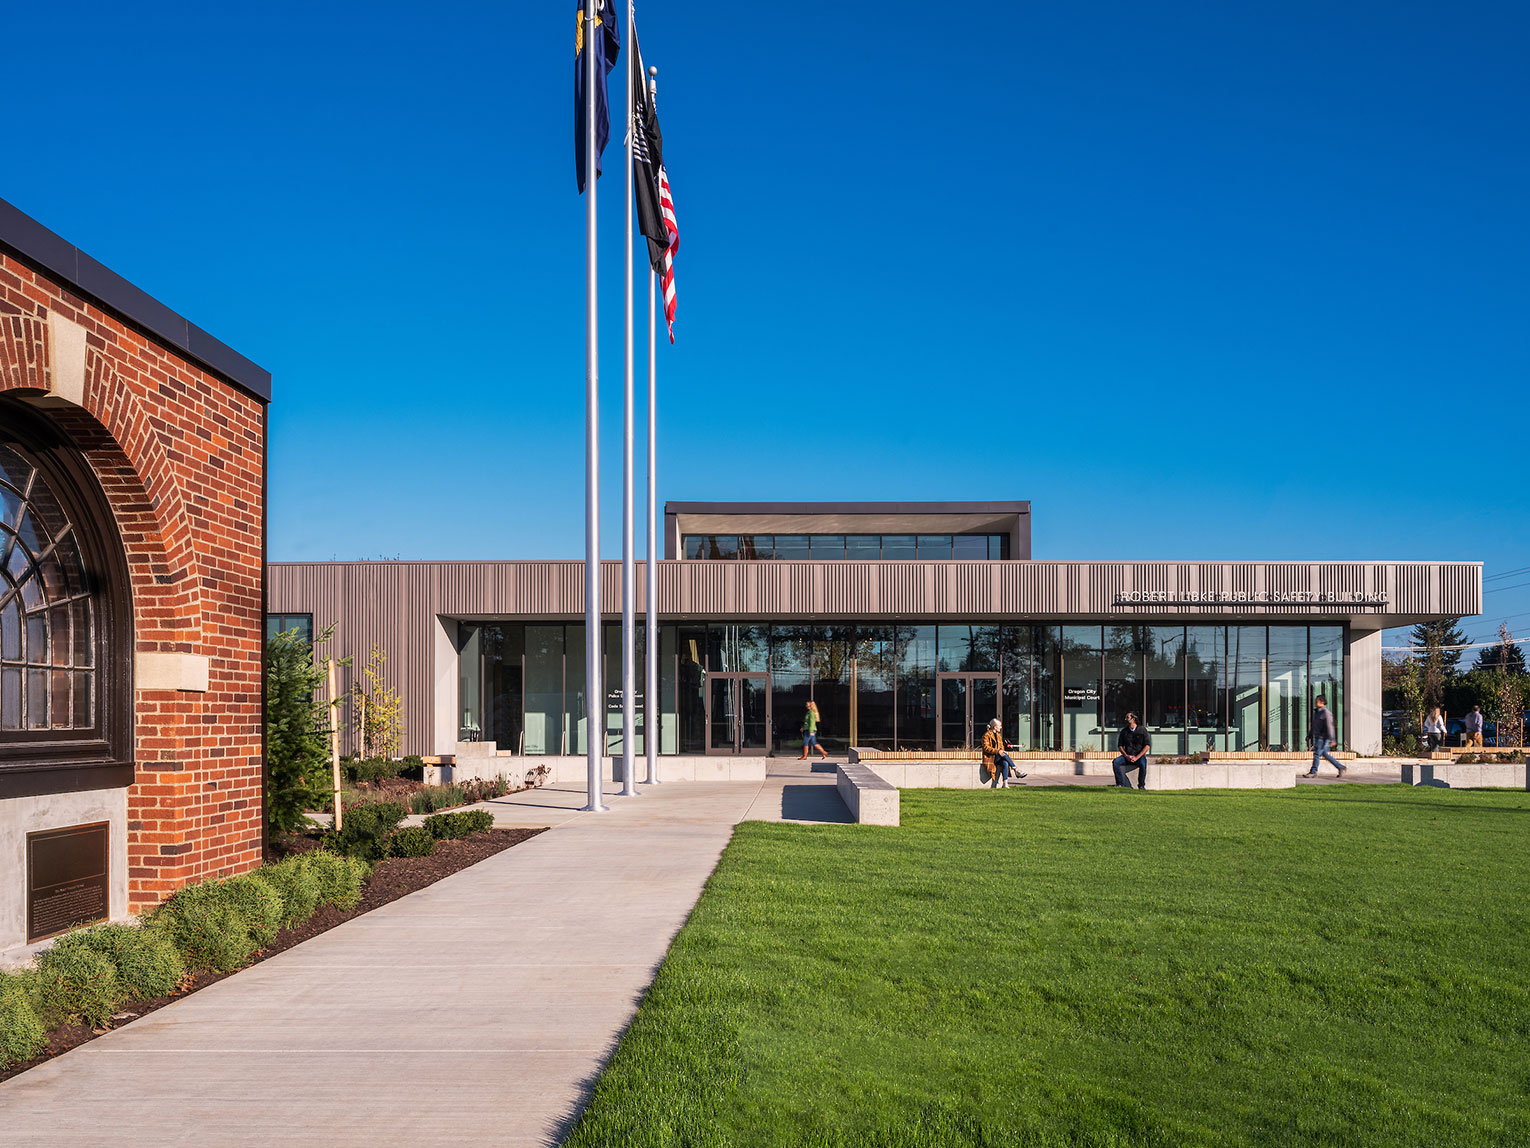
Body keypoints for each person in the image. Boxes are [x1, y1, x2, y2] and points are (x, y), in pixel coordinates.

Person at [1304, 695, 1346, 778]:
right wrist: (1309, 735)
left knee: (1316, 754)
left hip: (1323, 738)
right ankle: (1341, 767)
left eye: (1317, 701)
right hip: (1318, 737)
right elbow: (1314, 726)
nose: (1316, 703)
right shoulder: (1317, 712)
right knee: (1325, 755)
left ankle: (1313, 772)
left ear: (1322, 702)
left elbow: (1330, 726)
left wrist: (1332, 739)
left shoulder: (1326, 713)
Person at [982, 718, 1028, 788]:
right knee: (1003, 754)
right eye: (999, 726)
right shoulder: (986, 735)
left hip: (998, 757)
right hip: (990, 758)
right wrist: (998, 751)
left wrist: (1001, 751)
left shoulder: (998, 736)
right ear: (995, 727)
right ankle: (1016, 769)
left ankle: (1005, 783)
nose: (1001, 727)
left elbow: (1001, 748)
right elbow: (986, 748)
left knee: (1005, 763)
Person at [1113, 712, 1149, 789]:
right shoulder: (1124, 731)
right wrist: (1126, 756)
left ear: (1133, 719)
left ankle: (1141, 785)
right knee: (1116, 762)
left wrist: (1137, 757)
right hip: (1127, 756)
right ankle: (1119, 783)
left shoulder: (1142, 730)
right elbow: (1120, 746)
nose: (1125, 719)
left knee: (1143, 764)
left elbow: (1147, 746)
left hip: (1139, 756)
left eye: (1127, 717)